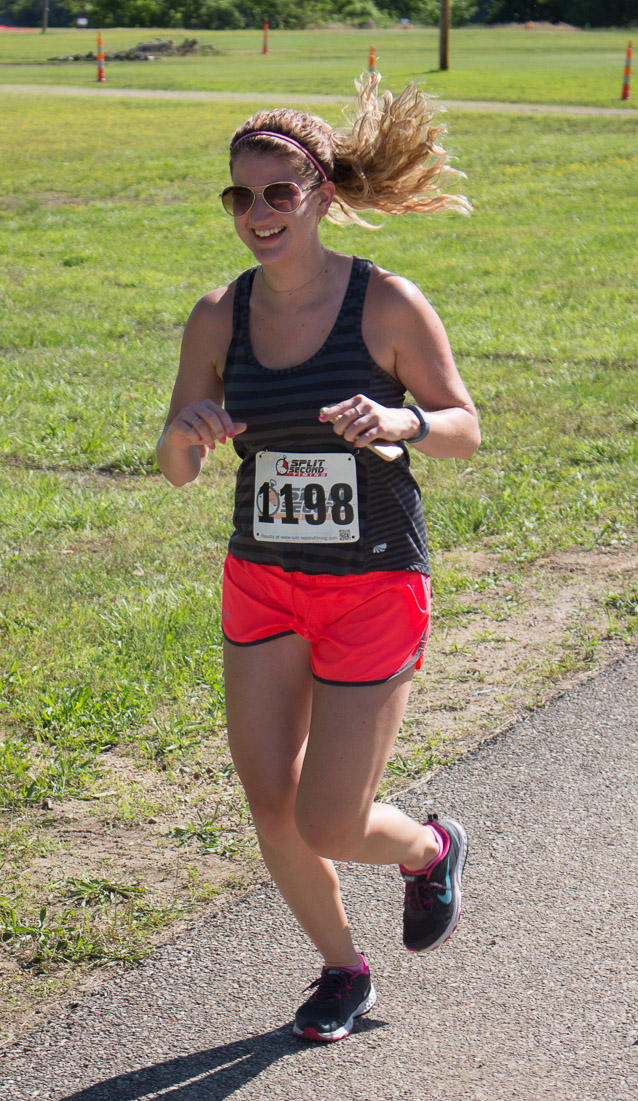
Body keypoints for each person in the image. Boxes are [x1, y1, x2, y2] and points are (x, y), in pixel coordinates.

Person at [157, 76, 480, 1044]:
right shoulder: (218, 314)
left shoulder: (386, 303)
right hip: (262, 579)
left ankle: (428, 847)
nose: (256, 213)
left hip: (373, 580)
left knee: (329, 818)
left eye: (277, 193)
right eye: (239, 195)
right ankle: (343, 969)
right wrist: (190, 430)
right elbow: (174, 465)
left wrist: (401, 421)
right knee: (271, 800)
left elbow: (463, 428)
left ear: (321, 195)